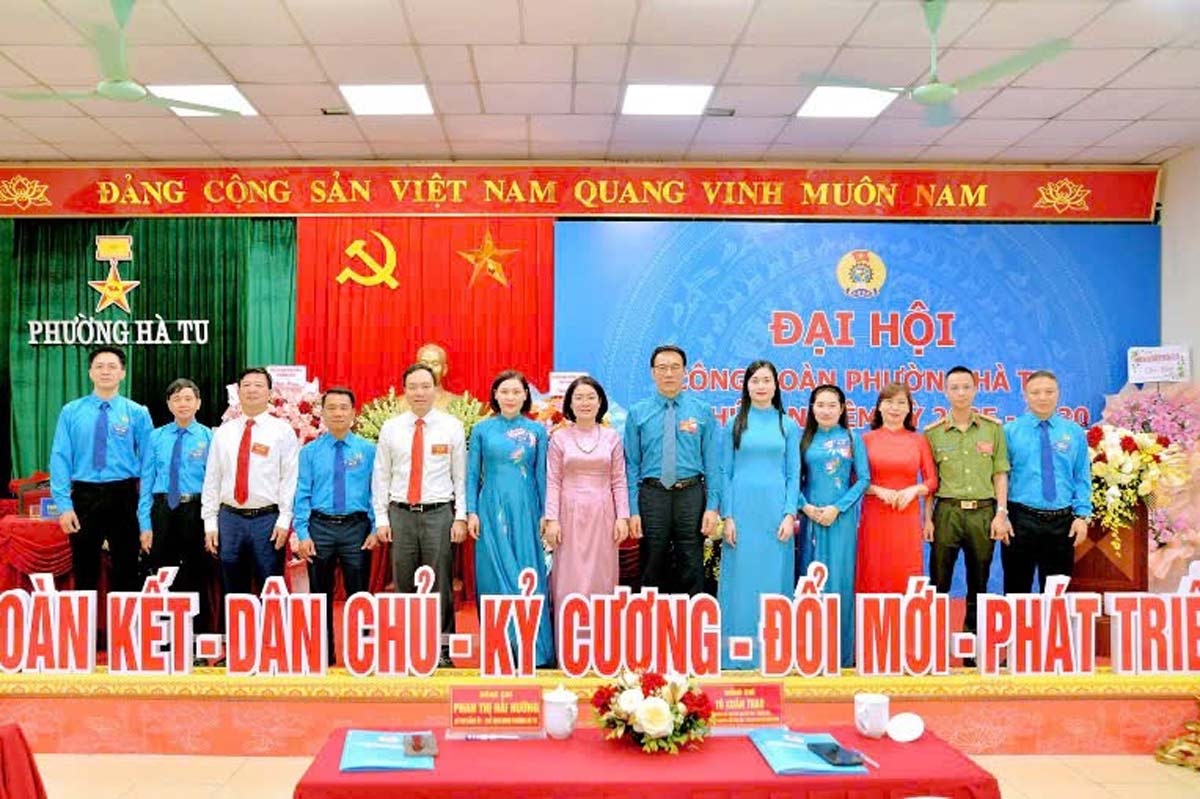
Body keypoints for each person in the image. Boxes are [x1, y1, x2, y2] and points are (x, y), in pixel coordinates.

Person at [372, 363, 466, 668]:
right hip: (400, 513)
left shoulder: (451, 426)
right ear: (405, 390)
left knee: (441, 582)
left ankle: (442, 648)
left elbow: (460, 477)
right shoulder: (391, 427)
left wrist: (461, 517)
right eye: (413, 387)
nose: (420, 392)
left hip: (439, 513)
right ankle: (406, 644)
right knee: (403, 582)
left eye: (426, 386)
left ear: (435, 388)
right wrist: (382, 519)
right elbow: (381, 477)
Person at [467, 370, 554, 667]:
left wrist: (546, 514)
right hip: (490, 507)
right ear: (495, 395)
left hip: (526, 508)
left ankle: (534, 650)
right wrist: (471, 512)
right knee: (492, 573)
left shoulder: (538, 431)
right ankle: (501, 645)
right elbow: (471, 476)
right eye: (504, 391)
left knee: (527, 573)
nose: (510, 397)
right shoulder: (481, 430)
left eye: (516, 392)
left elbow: (542, 476)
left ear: (525, 396)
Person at [50, 345, 153, 596]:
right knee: (84, 570)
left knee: (127, 570)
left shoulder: (137, 413)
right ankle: (83, 634)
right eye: (99, 366)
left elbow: (150, 464)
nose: (105, 371)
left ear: (123, 373)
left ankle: (126, 634)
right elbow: (60, 458)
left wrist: (145, 514)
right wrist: (64, 506)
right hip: (84, 496)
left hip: (124, 495)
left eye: (112, 366)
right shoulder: (71, 411)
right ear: (90, 372)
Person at [717, 361, 799, 670]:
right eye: (755, 381)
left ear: (776, 386)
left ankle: (774, 653)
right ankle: (735, 653)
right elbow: (725, 473)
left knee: (774, 580)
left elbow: (793, 475)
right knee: (739, 582)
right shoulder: (734, 423)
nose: (761, 386)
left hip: (774, 514)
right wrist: (730, 516)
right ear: (746, 386)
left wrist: (790, 514)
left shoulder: (787, 425)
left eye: (767, 380)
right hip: (742, 514)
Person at [924, 366, 1010, 649]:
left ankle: (974, 647)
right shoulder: (933, 433)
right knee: (938, 582)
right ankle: (934, 647)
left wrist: (1001, 513)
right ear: (945, 392)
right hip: (947, 512)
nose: (960, 393)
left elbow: (1000, 473)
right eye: (954, 388)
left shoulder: (993, 429)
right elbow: (930, 482)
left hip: (983, 513)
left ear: (975, 389)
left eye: (965, 387)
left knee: (979, 583)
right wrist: (928, 520)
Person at [624, 345, 721, 596]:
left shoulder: (703, 412)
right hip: (652, 494)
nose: (669, 373)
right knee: (652, 560)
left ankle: (693, 623)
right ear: (652, 372)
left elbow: (713, 464)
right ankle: (650, 623)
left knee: (691, 561)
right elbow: (632, 465)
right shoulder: (638, 413)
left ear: (685, 372)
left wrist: (712, 507)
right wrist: (633, 511)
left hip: (691, 493)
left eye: (675, 367)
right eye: (662, 368)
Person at [294, 387, 376, 666]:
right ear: (323, 413)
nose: (338, 413)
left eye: (344, 407)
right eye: (332, 408)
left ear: (354, 413)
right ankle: (322, 654)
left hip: (357, 528)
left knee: (359, 594)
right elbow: (302, 493)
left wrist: (375, 527)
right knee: (319, 595)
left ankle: (361, 654)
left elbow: (376, 491)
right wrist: (302, 533)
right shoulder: (309, 452)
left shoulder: (368, 450)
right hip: (320, 528)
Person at [200, 367, 298, 595]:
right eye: (246, 385)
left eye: (258, 385)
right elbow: (212, 479)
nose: (252, 390)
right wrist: (210, 523)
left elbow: (290, 479)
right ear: (238, 392)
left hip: (267, 520)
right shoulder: (223, 433)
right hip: (229, 519)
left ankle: (270, 632)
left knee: (270, 587)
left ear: (269, 393)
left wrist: (285, 519)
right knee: (231, 588)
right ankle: (235, 632)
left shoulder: (282, 432)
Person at [798, 384, 869, 668]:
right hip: (811, 518)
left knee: (839, 581)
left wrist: (837, 508)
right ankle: (810, 654)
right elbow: (793, 478)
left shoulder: (852, 438)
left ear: (842, 409)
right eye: (820, 405)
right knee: (810, 582)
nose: (825, 410)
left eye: (832, 405)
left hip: (841, 519)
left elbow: (863, 479)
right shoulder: (803, 439)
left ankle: (841, 655)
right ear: (812, 408)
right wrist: (805, 507)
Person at [1003, 370, 1092, 594]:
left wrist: (1082, 516)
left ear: (1058, 394)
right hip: (1020, 520)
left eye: (1049, 392)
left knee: (1056, 594)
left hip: (1062, 523)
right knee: (1016, 589)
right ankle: (1017, 629)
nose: (1043, 397)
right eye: (1036, 392)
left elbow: (1081, 477)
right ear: (1025, 396)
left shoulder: (1074, 432)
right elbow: (1000, 477)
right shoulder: (1009, 432)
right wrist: (1001, 514)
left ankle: (1050, 630)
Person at [543, 376, 629, 603]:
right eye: (578, 398)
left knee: (602, 574)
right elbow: (553, 480)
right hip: (568, 512)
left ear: (600, 402)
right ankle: (568, 634)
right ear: (570, 404)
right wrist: (551, 519)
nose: (585, 403)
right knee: (569, 576)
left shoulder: (612, 437)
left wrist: (623, 517)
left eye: (591, 397)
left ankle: (601, 634)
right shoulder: (559, 438)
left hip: (603, 514)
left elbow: (619, 480)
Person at [138, 378, 214, 636]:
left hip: (196, 510)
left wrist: (211, 525)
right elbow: (146, 482)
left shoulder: (209, 437)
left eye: (188, 398)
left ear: (198, 403)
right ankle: (163, 636)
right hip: (162, 511)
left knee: (196, 573)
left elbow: (215, 484)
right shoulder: (156, 437)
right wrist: (145, 524)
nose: (183, 403)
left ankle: (198, 638)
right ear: (169, 404)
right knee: (161, 573)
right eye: (177, 399)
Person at [858, 382, 937, 594]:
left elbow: (932, 482)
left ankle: (907, 621)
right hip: (874, 516)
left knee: (905, 569)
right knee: (873, 569)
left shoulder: (918, 440)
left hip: (907, 516)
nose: (895, 408)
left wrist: (913, 490)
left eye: (901, 403)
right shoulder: (865, 440)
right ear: (879, 407)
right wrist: (878, 490)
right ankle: (870, 622)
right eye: (889, 402)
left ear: (909, 408)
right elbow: (855, 481)